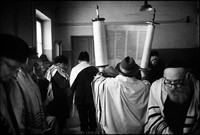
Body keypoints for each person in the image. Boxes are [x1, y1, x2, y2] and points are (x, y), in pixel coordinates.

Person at [91, 56, 150, 134]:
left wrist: (102, 71)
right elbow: (147, 85)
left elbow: (96, 81)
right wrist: (144, 75)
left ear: (119, 70)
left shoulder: (108, 84)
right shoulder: (144, 87)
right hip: (135, 130)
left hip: (114, 128)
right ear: (135, 71)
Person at [0, 33, 45, 134]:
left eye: (16, 68)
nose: (14, 73)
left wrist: (28, 131)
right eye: (11, 67)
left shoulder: (9, 84)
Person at [144, 60, 200, 134]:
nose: (172, 87)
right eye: (168, 81)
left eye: (177, 82)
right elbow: (153, 115)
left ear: (187, 77)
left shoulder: (197, 87)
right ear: (164, 77)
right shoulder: (156, 87)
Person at [70, 51, 99, 134]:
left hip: (80, 96)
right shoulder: (94, 69)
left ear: (79, 59)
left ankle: (84, 129)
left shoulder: (75, 69)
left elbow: (72, 85)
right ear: (88, 59)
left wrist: (71, 99)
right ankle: (93, 129)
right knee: (92, 113)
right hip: (92, 95)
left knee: (82, 114)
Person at [44, 55, 71, 134]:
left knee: (59, 121)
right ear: (60, 63)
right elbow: (63, 84)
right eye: (65, 65)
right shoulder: (56, 70)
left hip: (57, 99)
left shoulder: (51, 69)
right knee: (59, 120)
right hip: (57, 100)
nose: (65, 67)